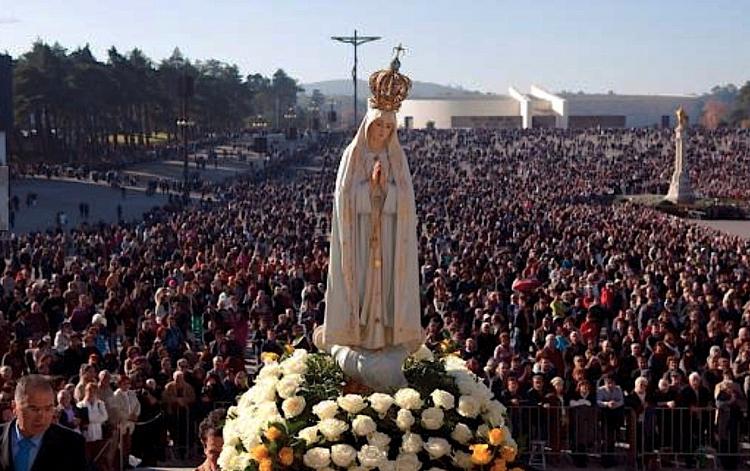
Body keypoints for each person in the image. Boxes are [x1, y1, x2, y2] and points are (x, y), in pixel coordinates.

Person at [321, 53, 422, 352]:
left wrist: (386, 190)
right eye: (379, 127)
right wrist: (370, 189)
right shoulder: (353, 156)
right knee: (363, 281)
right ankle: (358, 332)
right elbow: (344, 200)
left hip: (389, 233)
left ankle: (388, 333)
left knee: (387, 282)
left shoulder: (396, 158)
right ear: (369, 126)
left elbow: (406, 200)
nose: (383, 132)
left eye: (389, 129)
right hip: (361, 235)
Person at [0, 374, 86, 471]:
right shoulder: (2, 436)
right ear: (14, 407)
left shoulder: (72, 444)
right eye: (33, 408)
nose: (41, 416)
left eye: (48, 408)